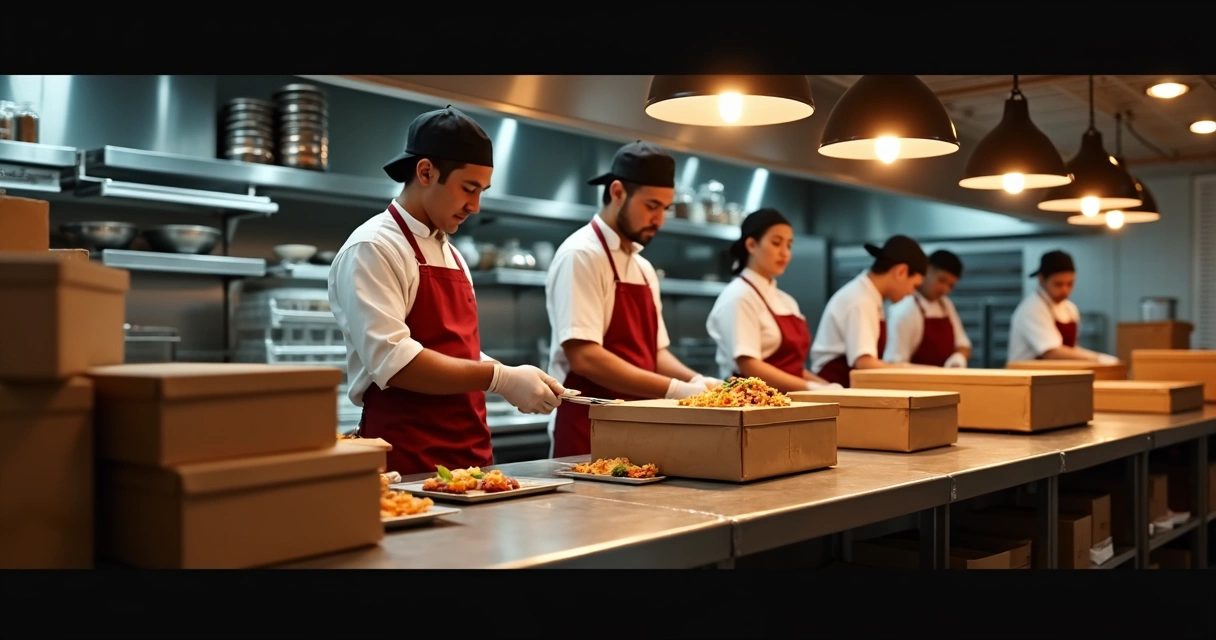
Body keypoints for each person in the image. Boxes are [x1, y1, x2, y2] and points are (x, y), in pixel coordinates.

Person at [328, 106, 564, 476]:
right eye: (468, 189)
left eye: (481, 192)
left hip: (473, 458)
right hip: (407, 461)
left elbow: (457, 349)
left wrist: (513, 374)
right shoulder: (374, 247)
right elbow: (395, 361)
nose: (475, 206)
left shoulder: (451, 253)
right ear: (425, 172)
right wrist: (500, 379)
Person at [545, 140, 721, 458]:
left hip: (641, 427)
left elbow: (655, 353)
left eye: (664, 209)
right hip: (589, 433)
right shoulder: (581, 255)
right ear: (617, 192)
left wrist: (697, 381)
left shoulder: (642, 268)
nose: (660, 220)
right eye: (651, 206)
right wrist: (676, 390)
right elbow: (585, 357)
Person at [705, 208, 841, 393]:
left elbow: (793, 370)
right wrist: (811, 388)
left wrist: (827, 387)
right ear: (751, 245)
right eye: (776, 243)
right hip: (753, 403)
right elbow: (749, 366)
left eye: (789, 245)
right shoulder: (739, 297)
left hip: (788, 399)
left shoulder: (787, 301)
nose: (785, 253)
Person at [809, 235, 930, 388]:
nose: (912, 294)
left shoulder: (870, 296)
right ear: (901, 272)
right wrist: (915, 373)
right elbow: (865, 363)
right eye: (915, 286)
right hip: (834, 387)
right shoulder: (861, 300)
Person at [1006, 249, 1118, 364]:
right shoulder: (1032, 309)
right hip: (1026, 376)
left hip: (1057, 374)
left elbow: (1070, 350)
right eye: (1058, 284)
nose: (1065, 290)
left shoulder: (1070, 309)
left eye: (1070, 284)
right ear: (1041, 279)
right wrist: (1098, 359)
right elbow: (1052, 352)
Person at [884, 249, 972, 368]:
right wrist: (934, 372)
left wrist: (958, 358)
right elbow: (895, 364)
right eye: (941, 280)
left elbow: (964, 346)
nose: (944, 289)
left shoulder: (945, 305)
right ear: (928, 270)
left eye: (950, 286)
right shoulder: (904, 309)